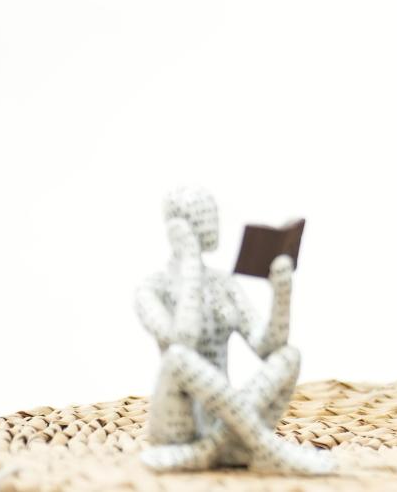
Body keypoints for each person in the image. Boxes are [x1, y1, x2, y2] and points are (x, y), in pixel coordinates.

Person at [134, 187, 334, 475]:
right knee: (177, 356)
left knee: (289, 356)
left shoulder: (223, 285)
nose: (212, 223)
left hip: (223, 418)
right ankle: (267, 448)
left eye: (212, 214)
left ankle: (209, 450)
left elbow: (266, 346)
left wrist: (281, 294)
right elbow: (184, 339)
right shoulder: (152, 289)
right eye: (202, 216)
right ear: (176, 227)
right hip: (178, 422)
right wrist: (191, 263)